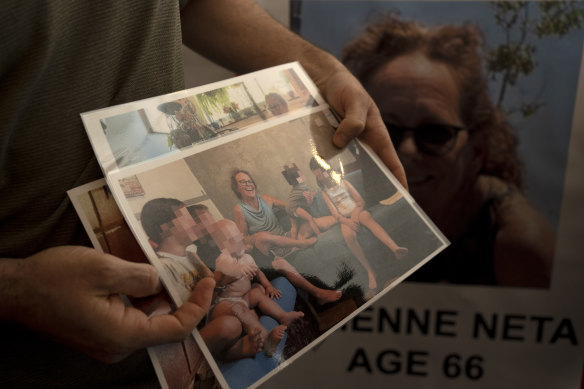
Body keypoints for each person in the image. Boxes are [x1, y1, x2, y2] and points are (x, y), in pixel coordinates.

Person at [0, 1, 405, 386]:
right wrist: (16, 289)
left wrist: (322, 71)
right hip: (45, 363)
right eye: (193, 218)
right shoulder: (217, 246)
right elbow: (236, 257)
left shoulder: (194, 253)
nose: (201, 222)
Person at [342, 15, 554, 287]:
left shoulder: (518, 248)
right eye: (386, 129)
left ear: (476, 150)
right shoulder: (357, 199)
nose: (406, 151)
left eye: (435, 133)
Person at [309, 157, 408, 292]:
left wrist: (355, 214)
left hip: (357, 211)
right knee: (349, 236)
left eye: (322, 173)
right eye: (318, 176)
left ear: (327, 170)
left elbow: (360, 202)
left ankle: (395, 248)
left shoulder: (344, 182)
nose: (321, 178)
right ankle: (370, 271)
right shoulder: (325, 193)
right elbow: (335, 214)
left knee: (366, 217)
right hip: (344, 219)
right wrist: (347, 221)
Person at [208, 219, 304, 357]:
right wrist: (239, 268)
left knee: (257, 294)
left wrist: (268, 286)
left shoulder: (246, 257)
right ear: (221, 245)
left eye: (237, 235)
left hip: (244, 297)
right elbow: (227, 269)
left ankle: (284, 316)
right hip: (225, 302)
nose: (237, 240)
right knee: (239, 309)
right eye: (231, 239)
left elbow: (259, 273)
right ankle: (267, 340)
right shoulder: (224, 258)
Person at [281, 163, 338, 238]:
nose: (304, 175)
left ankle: (294, 243)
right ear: (299, 179)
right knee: (310, 218)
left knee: (294, 227)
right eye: (302, 174)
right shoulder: (304, 187)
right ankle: (319, 234)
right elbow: (310, 200)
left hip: (288, 206)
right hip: (294, 207)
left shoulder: (295, 189)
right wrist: (314, 194)